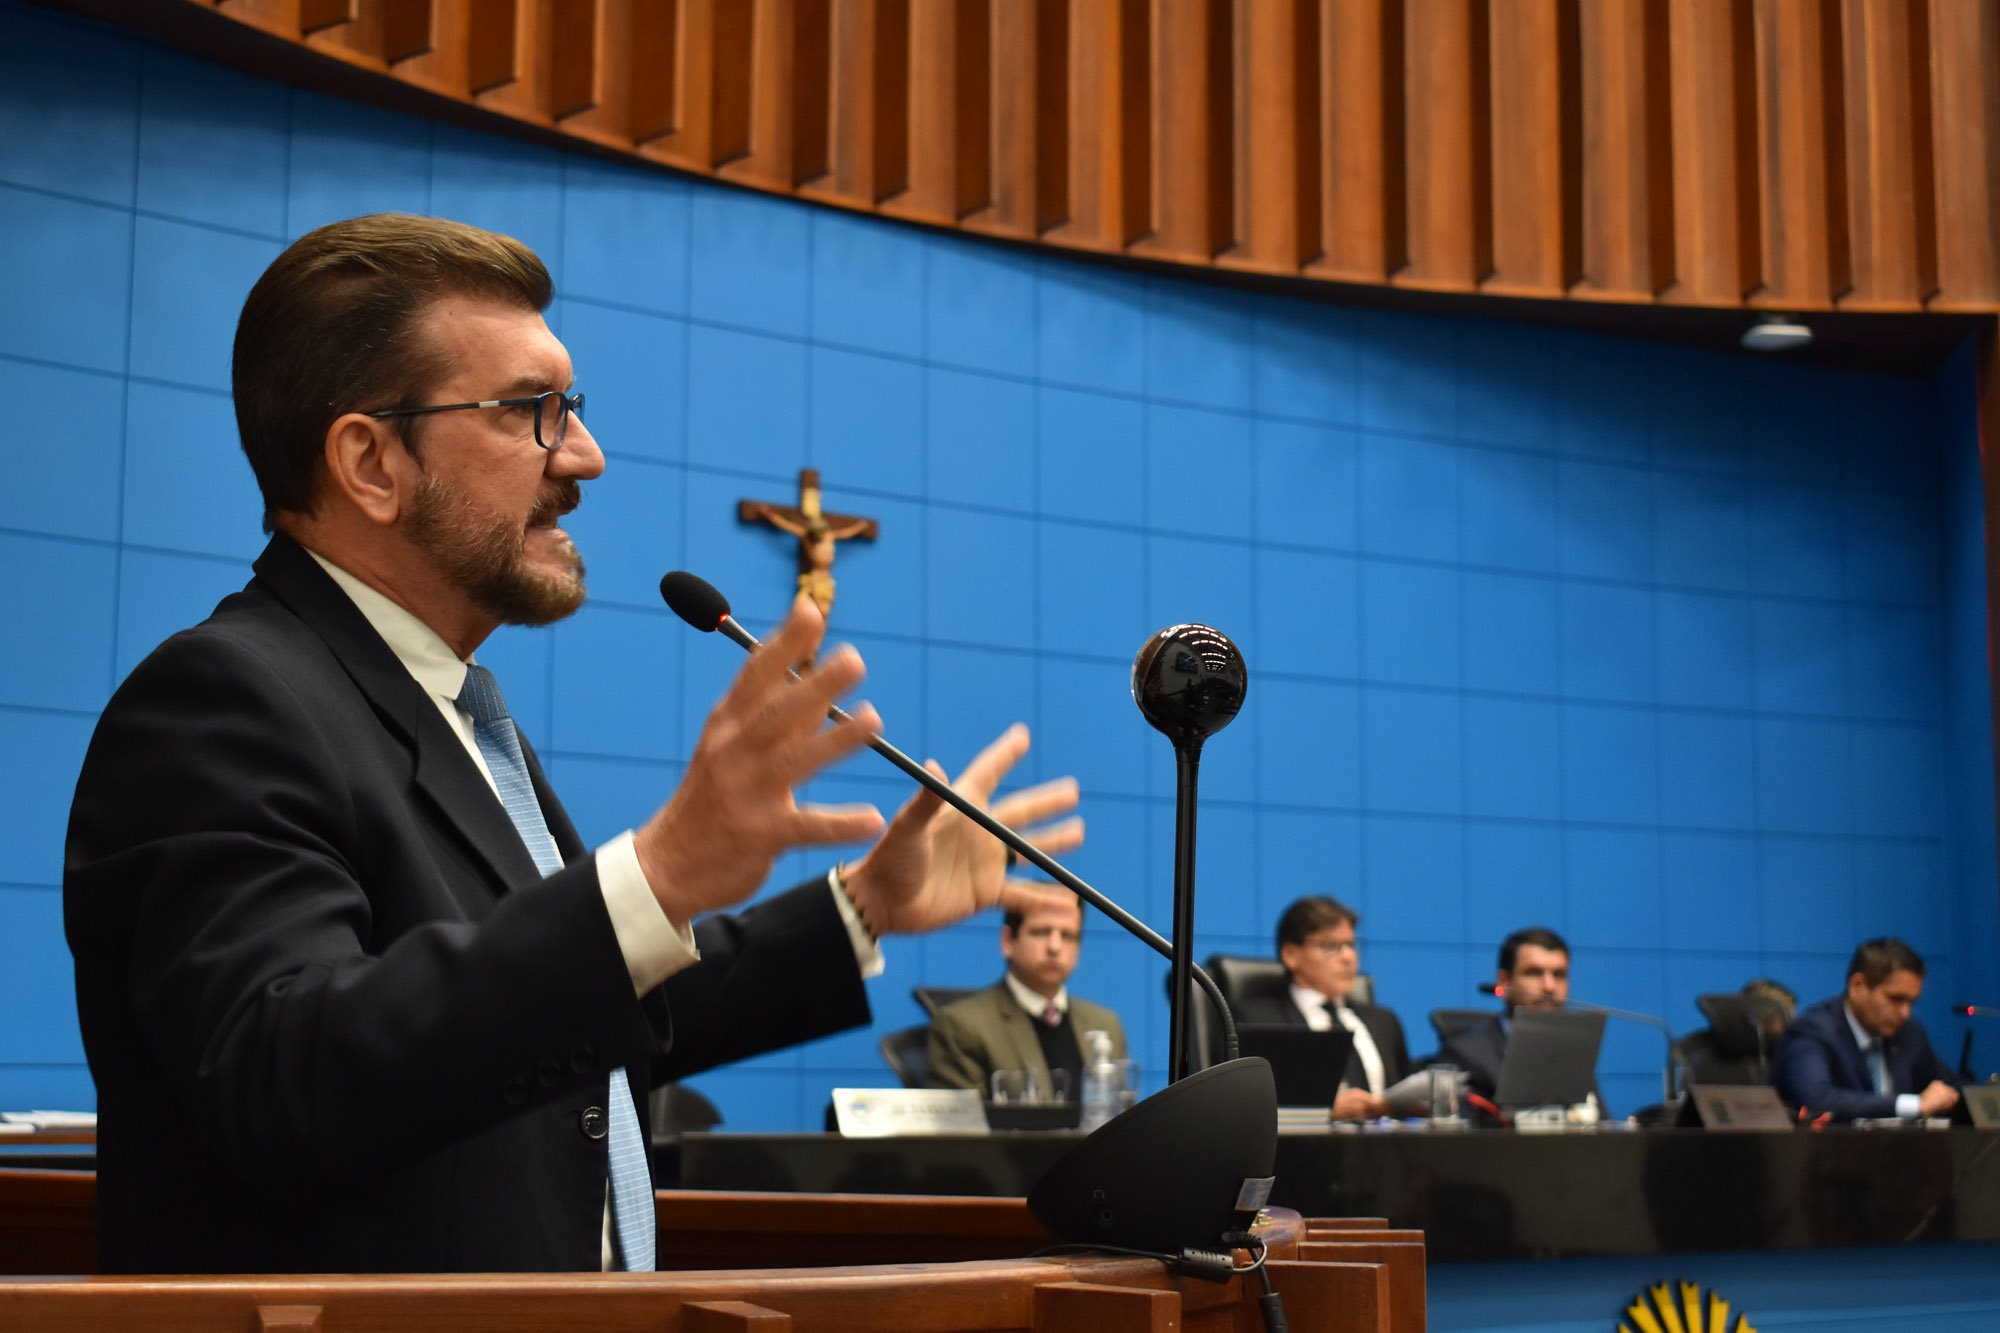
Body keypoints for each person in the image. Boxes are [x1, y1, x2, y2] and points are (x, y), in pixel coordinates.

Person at [62, 214, 1083, 1275]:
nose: (584, 456)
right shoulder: (221, 702)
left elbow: (575, 1020)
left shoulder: (453, 708)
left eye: (572, 407)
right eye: (527, 411)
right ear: (371, 461)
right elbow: (288, 1078)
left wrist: (861, 904)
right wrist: (657, 871)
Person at [927, 893, 1126, 1096]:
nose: (1055, 947)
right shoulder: (962, 1026)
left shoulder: (1105, 1024)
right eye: (1041, 932)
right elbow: (966, 1116)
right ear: (1008, 941)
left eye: (1067, 936)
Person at [1233, 897, 1410, 1121]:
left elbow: (1404, 1094)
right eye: (1331, 946)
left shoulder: (1384, 1021)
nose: (1348, 957)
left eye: (1351, 945)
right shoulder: (1256, 1021)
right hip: (1306, 1142)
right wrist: (1323, 1111)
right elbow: (1244, 1107)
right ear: (1291, 955)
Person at [1774, 938, 1960, 1122]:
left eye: (1911, 1002)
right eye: (1895, 999)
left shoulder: (1909, 1033)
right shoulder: (1814, 1030)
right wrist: (1914, 1104)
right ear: (1857, 986)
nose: (1905, 1013)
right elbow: (1816, 1099)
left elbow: (1949, 1085)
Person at [1437, 926, 1573, 1106]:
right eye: (1534, 973)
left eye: (1559, 975)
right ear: (1504, 981)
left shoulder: (1572, 1050)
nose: (1549, 986)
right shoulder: (1465, 1055)